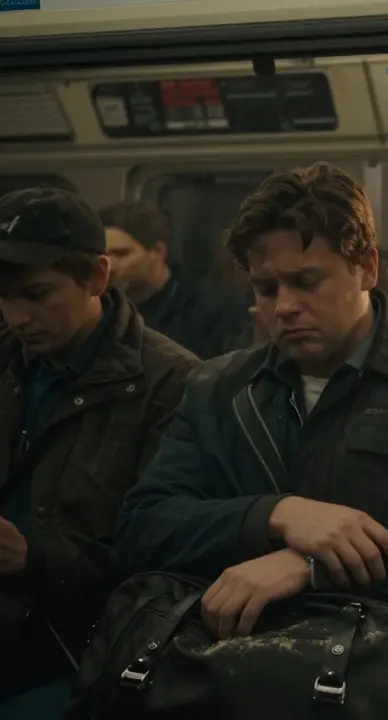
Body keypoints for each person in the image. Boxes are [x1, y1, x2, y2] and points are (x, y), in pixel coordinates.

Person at [114, 162, 388, 646]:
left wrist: (309, 565)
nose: (283, 306)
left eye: (306, 281)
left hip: (386, 674)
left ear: (366, 268)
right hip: (232, 665)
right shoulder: (218, 389)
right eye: (266, 289)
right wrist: (274, 515)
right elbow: (145, 527)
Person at [0, 187, 198, 717]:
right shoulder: (9, 361)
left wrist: (32, 559)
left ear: (97, 278)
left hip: (79, 647)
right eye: (3, 296)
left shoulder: (169, 383)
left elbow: (162, 563)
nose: (16, 316)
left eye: (37, 295)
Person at [98, 200, 247, 359]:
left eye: (121, 254)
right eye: (104, 255)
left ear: (157, 251)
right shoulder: (103, 307)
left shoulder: (211, 310)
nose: (110, 266)